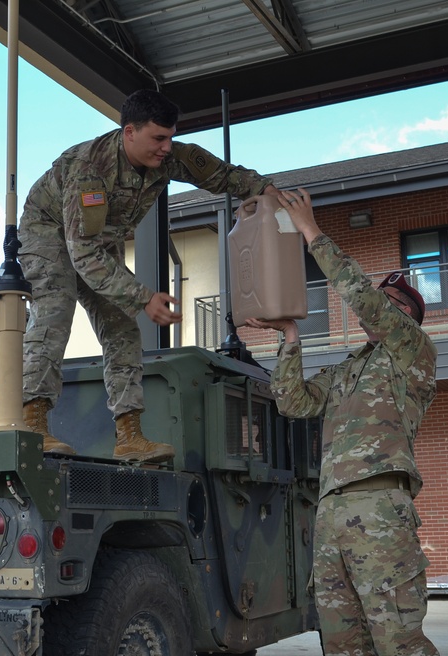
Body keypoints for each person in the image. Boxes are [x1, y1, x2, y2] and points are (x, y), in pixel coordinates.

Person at [18, 89, 279, 462]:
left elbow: (219, 174)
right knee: (55, 310)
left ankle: (129, 437)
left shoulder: (166, 157)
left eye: (171, 137)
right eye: (159, 138)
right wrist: (143, 296)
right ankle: (33, 426)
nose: (166, 147)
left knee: (123, 327)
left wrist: (266, 189)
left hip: (96, 242)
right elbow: (82, 252)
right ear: (129, 132)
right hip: (49, 233)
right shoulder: (88, 169)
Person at [245, 188, 440, 656]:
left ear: (408, 318)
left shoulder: (412, 355)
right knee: (343, 646)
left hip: (379, 507)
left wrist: (312, 233)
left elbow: (364, 300)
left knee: (398, 643)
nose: (380, 304)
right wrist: (290, 338)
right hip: (332, 512)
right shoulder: (344, 371)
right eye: (383, 297)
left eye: (392, 301)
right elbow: (292, 402)